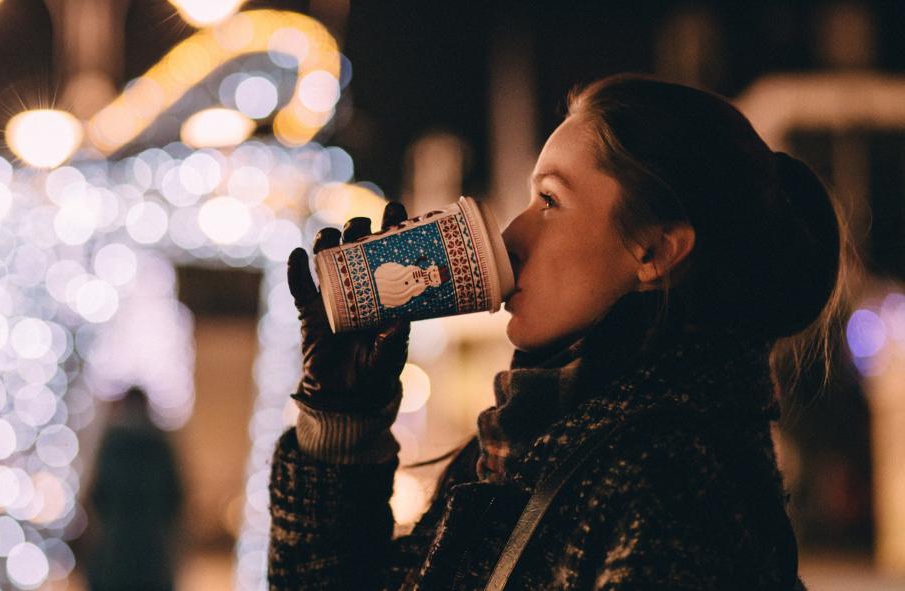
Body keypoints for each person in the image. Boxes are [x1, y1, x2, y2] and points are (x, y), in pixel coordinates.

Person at [269, 74, 847, 590]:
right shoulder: (528, 440)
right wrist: (344, 415)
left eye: (550, 199)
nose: (514, 233)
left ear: (654, 250)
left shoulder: (669, 478)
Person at [82, 387, 184, 591]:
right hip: (151, 546)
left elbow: (97, 494)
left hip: (116, 546)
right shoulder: (159, 445)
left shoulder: (112, 445)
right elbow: (175, 495)